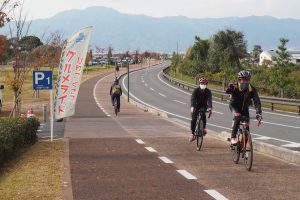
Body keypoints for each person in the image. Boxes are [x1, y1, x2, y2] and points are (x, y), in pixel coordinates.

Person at [226, 70, 262, 145]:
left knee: (247, 129)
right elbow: (228, 91)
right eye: (243, 79)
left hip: (245, 109)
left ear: (249, 80)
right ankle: (233, 137)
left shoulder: (252, 89)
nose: (245, 82)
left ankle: (242, 147)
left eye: (247, 80)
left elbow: (257, 101)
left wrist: (258, 113)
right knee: (238, 117)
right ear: (239, 80)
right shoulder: (235, 87)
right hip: (234, 106)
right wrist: (229, 88)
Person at [190, 77, 212, 142]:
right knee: (194, 119)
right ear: (199, 83)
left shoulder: (208, 91)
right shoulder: (196, 90)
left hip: (203, 106)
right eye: (202, 83)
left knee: (203, 115)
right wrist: (192, 106)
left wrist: (210, 108)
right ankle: (192, 134)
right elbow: (193, 99)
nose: (203, 84)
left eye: (204, 83)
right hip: (196, 106)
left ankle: (203, 128)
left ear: (206, 84)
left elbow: (209, 100)